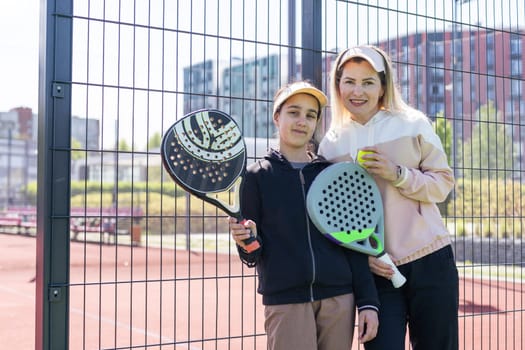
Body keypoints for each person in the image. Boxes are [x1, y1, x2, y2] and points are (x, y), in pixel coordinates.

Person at [317, 45, 459, 350]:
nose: (358, 91)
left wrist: (398, 174)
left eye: (368, 82)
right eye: (349, 81)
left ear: (384, 86)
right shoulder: (330, 145)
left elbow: (443, 183)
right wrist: (365, 257)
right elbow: (335, 221)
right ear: (338, 85)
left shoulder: (412, 123)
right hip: (376, 272)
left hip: (429, 260)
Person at [229, 81, 380, 350]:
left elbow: (354, 241)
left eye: (311, 115)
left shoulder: (332, 175)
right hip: (286, 301)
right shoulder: (256, 177)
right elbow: (252, 254)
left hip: (339, 298)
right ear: (277, 117)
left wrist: (368, 302)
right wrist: (246, 241)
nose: (302, 121)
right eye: (294, 112)